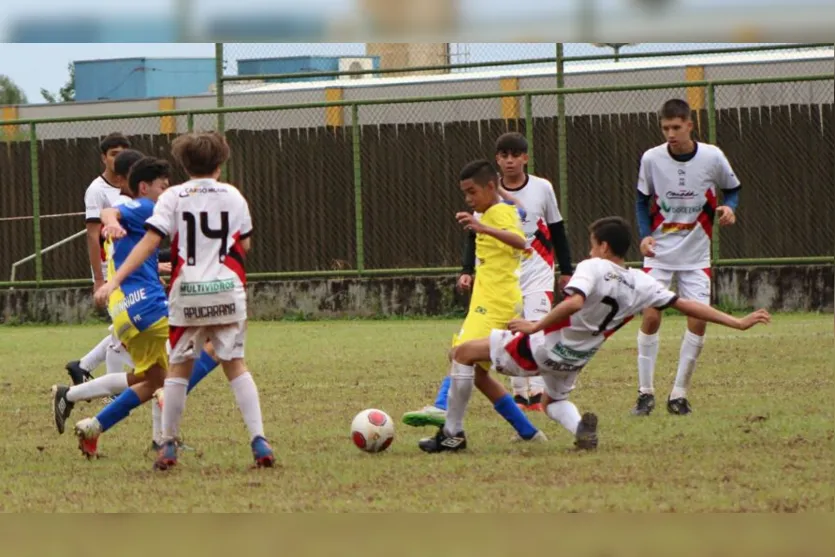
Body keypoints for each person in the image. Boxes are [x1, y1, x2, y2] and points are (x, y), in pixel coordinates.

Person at [418, 216, 770, 453]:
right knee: (552, 402)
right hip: (575, 360)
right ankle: (579, 433)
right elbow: (689, 305)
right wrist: (736, 322)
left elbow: (573, 304)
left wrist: (534, 325)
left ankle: (452, 435)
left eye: (591, 245)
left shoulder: (593, 267)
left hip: (541, 347)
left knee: (461, 354)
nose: (588, 251)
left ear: (602, 247)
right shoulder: (640, 281)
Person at [95, 131, 275, 470]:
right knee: (235, 364)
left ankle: (168, 446)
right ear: (221, 162)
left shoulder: (172, 197)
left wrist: (114, 280)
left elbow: (148, 243)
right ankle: (259, 440)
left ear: (183, 163)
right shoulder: (234, 196)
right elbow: (245, 245)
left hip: (187, 294)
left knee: (177, 370)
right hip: (226, 291)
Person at [402, 132, 573, 428]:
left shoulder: (504, 211)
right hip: (493, 294)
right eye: (465, 193)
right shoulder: (495, 208)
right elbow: (513, 211)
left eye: (471, 192)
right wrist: (468, 264)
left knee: (465, 353)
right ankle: (527, 429)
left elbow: (521, 240)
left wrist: (484, 226)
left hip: (504, 295)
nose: (468, 199)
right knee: (477, 372)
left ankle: (445, 410)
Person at [633, 98, 742, 416]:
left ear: (690, 125)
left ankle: (678, 395)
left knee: (698, 321)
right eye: (665, 128)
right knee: (651, 316)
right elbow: (642, 200)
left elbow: (733, 189)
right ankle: (645, 394)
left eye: (676, 127)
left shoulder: (712, 156)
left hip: (696, 256)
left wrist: (730, 208)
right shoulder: (651, 158)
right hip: (660, 254)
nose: (670, 133)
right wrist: (645, 235)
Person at [65, 134, 136, 386]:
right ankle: (112, 388)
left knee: (125, 325)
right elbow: (93, 235)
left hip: (130, 268)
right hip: (111, 269)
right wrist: (98, 278)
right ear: (103, 158)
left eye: (123, 153)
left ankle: (83, 366)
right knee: (125, 328)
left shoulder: (131, 185)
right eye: (113, 154)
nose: (119, 159)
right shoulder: (97, 190)